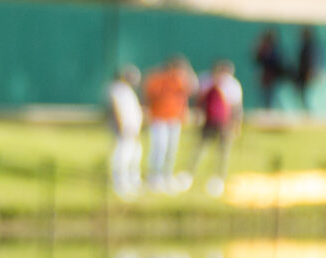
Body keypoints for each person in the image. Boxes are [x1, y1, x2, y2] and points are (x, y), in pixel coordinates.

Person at [186, 60, 244, 196]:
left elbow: (236, 106)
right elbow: (199, 100)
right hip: (209, 120)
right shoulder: (207, 82)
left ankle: (219, 177)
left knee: (223, 151)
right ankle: (190, 173)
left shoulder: (232, 85)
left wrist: (236, 123)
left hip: (225, 122)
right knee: (201, 147)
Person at [142, 56, 198, 191]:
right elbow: (148, 93)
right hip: (159, 118)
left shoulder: (181, 79)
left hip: (174, 119)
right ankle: (154, 176)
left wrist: (188, 71)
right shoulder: (158, 78)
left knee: (171, 149)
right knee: (159, 148)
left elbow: (194, 88)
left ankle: (166, 175)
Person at [105, 65, 144, 199]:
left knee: (135, 155)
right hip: (124, 130)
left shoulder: (127, 90)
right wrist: (122, 126)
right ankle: (120, 183)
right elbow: (117, 109)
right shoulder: (117, 89)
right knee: (122, 156)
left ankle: (133, 181)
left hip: (132, 129)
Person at [252, 29, 288, 111]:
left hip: (273, 76)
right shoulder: (265, 48)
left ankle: (273, 109)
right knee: (266, 96)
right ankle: (267, 109)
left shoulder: (275, 49)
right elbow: (258, 59)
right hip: (267, 76)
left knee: (273, 95)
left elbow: (277, 62)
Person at [294, 25, 324, 111]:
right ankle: (306, 111)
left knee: (306, 95)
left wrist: (310, 73)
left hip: (308, 75)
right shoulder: (306, 45)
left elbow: (312, 60)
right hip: (303, 75)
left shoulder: (311, 46)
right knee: (303, 95)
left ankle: (308, 111)